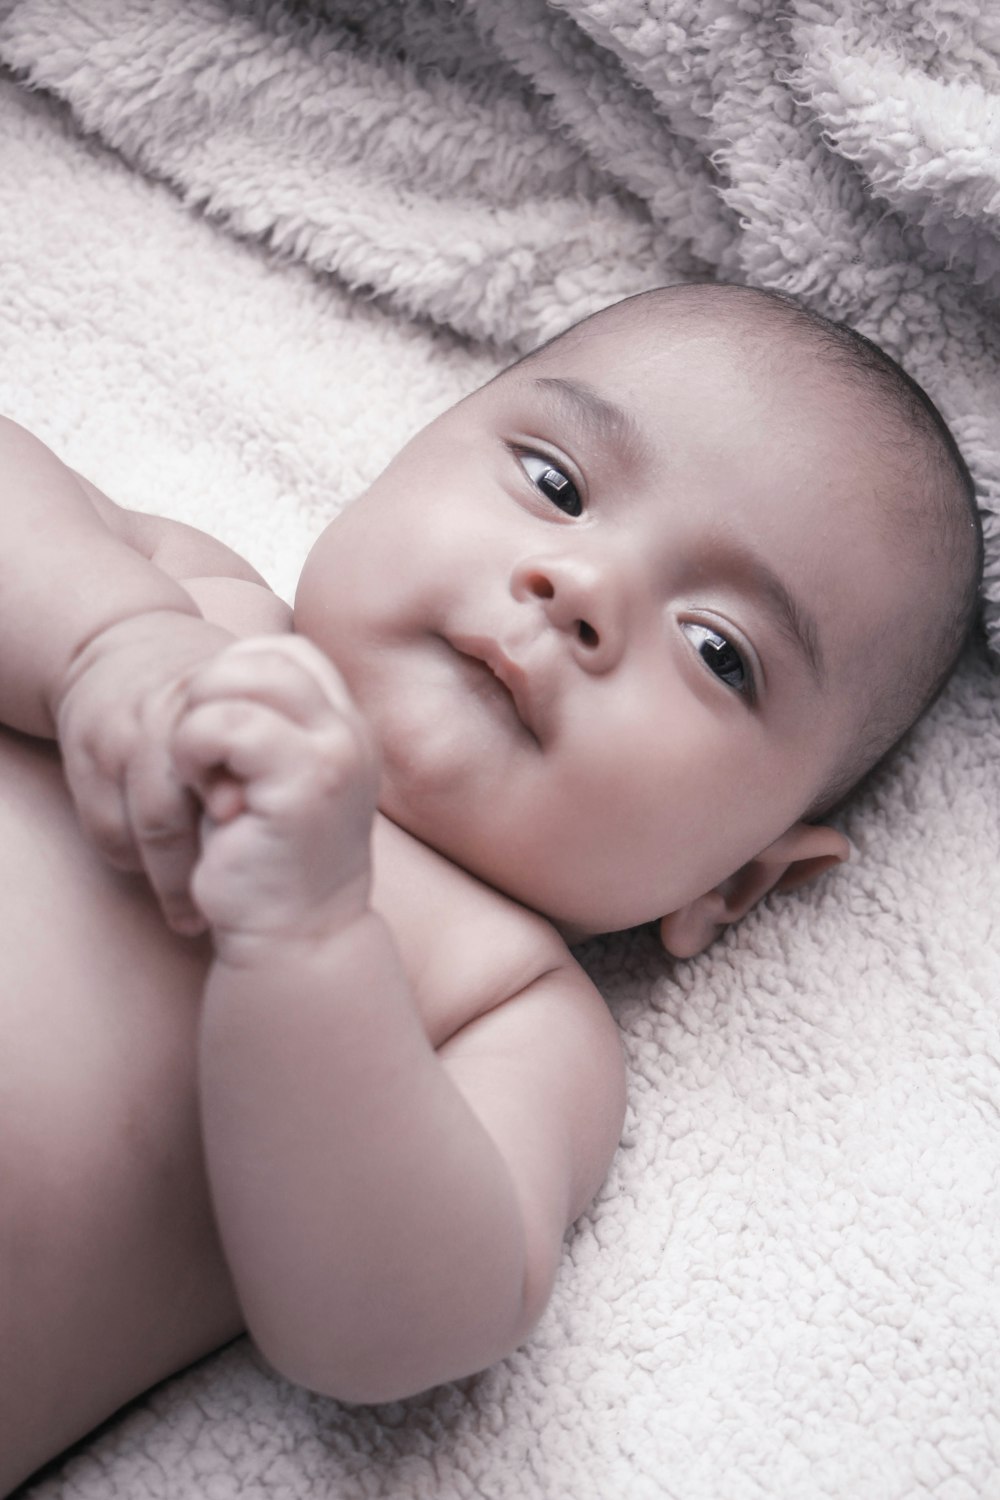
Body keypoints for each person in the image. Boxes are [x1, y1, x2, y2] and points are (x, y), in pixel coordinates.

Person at [0, 283, 982, 1494]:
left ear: (734, 885)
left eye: (718, 650)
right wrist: (101, 645)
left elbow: (385, 1329)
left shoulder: (510, 1009)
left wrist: (313, 946)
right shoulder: (192, 608)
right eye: (557, 486)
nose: (578, 587)